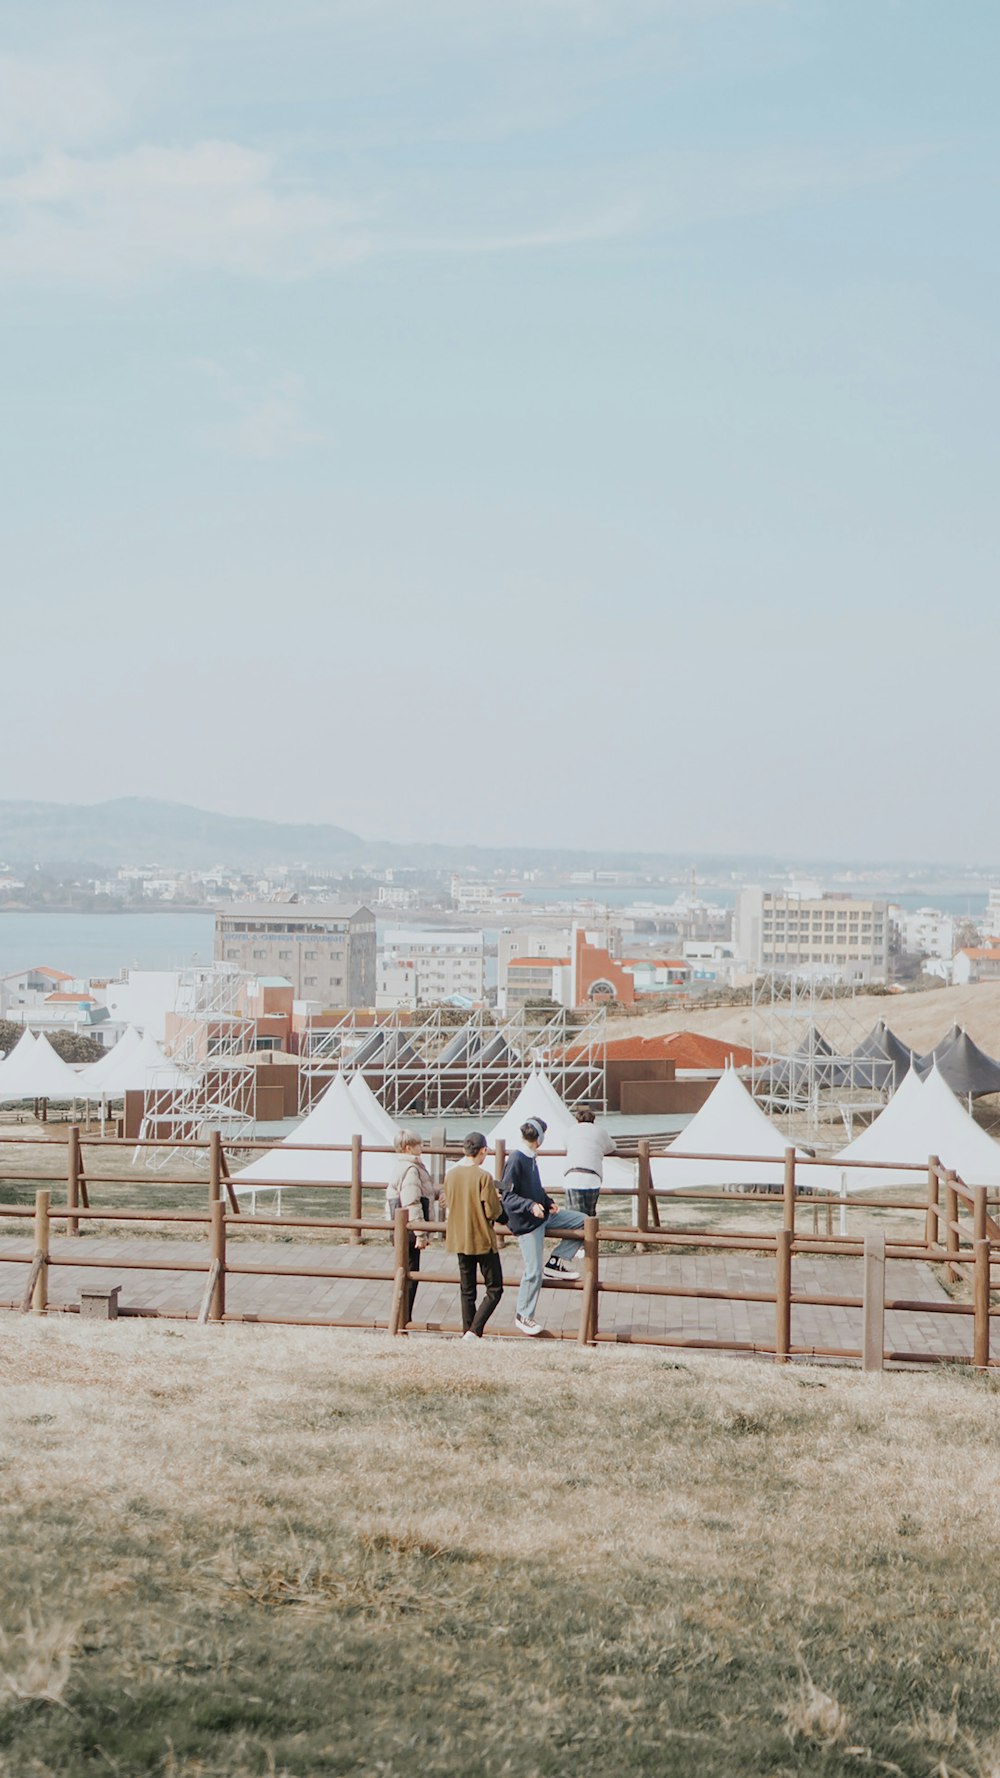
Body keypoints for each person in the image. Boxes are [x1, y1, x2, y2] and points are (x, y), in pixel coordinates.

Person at [501, 1116, 586, 1336]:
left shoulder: (530, 1157)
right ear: (539, 1138)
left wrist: (548, 1203)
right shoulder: (517, 1159)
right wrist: (530, 1206)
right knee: (533, 1271)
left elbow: (534, 1189)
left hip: (542, 1215)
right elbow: (507, 1196)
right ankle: (523, 1315)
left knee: (583, 1220)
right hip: (528, 1222)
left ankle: (557, 1260)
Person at [444, 1132, 506, 1341]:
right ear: (483, 1151)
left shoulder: (451, 1175)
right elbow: (492, 1211)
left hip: (459, 1237)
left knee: (467, 1290)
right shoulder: (483, 1177)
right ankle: (474, 1330)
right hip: (481, 1238)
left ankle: (467, 1331)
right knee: (495, 1288)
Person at [386, 1130, 438, 1326]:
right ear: (408, 1147)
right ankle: (403, 1320)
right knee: (410, 1276)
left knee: (405, 1273)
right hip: (409, 1230)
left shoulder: (402, 1166)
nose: (421, 1148)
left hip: (401, 1229)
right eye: (418, 1145)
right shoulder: (411, 1169)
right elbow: (412, 1202)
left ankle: (401, 1318)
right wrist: (420, 1232)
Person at [564, 1105, 617, 1219]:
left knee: (574, 1217)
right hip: (592, 1177)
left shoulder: (571, 1130)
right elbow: (612, 1147)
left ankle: (574, 1236)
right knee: (590, 1215)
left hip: (573, 1176)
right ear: (593, 1120)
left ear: (577, 1119)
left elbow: (565, 1145)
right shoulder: (600, 1131)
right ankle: (590, 1235)